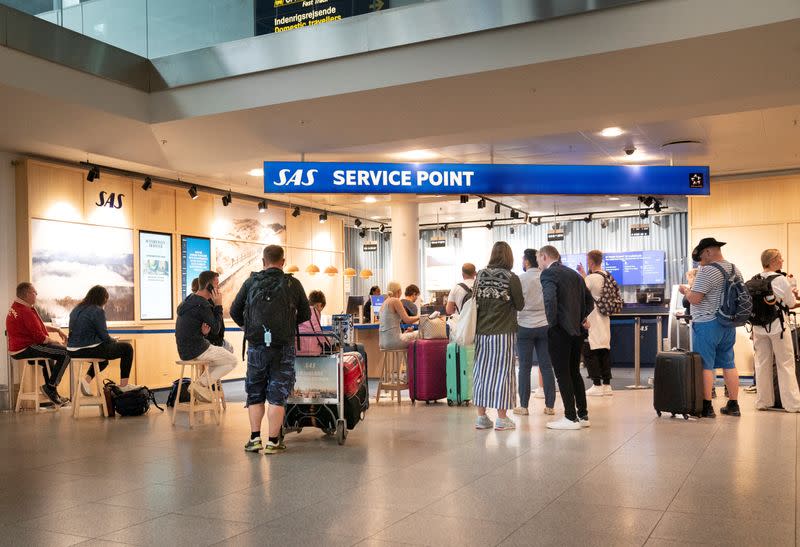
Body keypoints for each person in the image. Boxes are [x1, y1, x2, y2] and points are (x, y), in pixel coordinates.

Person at [231, 245, 310, 455]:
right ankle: (274, 441)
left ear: (263, 261)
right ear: (283, 262)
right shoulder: (293, 283)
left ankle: (255, 438)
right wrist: (287, 324)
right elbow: (305, 314)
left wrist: (248, 328)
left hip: (256, 346)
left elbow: (234, 310)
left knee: (255, 393)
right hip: (283, 346)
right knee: (277, 394)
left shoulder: (250, 282)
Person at [679, 237, 742, 417]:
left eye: (700, 256)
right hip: (728, 323)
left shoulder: (707, 271)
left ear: (708, 251)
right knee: (729, 363)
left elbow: (695, 299)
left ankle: (706, 407)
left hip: (707, 324)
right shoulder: (734, 269)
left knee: (706, 365)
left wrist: (686, 291)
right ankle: (733, 404)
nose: (700, 261)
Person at [539, 245, 595, 430]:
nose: (539, 262)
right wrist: (580, 318)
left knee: (562, 373)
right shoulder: (575, 275)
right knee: (574, 372)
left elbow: (549, 300)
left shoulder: (548, 274)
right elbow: (590, 302)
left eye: (539, 258)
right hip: (576, 331)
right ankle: (583, 415)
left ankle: (570, 417)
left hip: (560, 331)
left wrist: (553, 323)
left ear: (544, 256)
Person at [473, 242, 524, 431]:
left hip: (481, 332)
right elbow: (519, 305)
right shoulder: (511, 278)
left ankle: (481, 417)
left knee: (482, 372)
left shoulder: (480, 275)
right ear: (509, 257)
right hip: (503, 332)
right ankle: (502, 418)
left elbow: (474, 301)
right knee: (503, 372)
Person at [176, 270, 237, 403]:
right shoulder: (202, 304)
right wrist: (219, 305)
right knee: (232, 361)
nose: (218, 287)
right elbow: (216, 329)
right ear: (209, 286)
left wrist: (203, 333)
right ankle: (200, 385)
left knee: (222, 358)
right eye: (216, 284)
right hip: (198, 349)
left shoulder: (189, 300)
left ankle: (200, 384)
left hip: (185, 350)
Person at [750, 249, 800, 411]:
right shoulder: (780, 279)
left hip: (758, 327)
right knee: (785, 363)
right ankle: (792, 404)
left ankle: (763, 402)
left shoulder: (755, 279)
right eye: (779, 258)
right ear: (772, 261)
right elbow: (791, 303)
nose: (782, 261)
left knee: (762, 363)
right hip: (777, 326)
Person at [6, 282, 70, 405]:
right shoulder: (25, 311)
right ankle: (50, 388)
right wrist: (55, 341)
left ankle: (52, 393)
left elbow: (37, 326)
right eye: (35, 292)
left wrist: (57, 330)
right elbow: (41, 339)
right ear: (27, 294)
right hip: (25, 348)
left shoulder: (18, 306)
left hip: (20, 347)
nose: (37, 294)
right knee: (66, 353)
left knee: (52, 355)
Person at [67, 285, 139, 395]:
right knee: (127, 348)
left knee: (103, 361)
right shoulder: (97, 310)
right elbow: (104, 336)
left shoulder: (76, 309)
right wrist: (113, 341)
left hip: (72, 351)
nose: (105, 303)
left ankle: (85, 381)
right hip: (88, 349)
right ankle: (124, 386)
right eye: (106, 299)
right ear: (103, 298)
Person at [514, 249, 556, 416]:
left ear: (526, 262)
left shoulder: (519, 279)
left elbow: (516, 302)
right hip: (544, 325)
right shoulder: (545, 276)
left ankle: (524, 406)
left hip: (523, 325)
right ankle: (550, 406)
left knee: (524, 367)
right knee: (546, 366)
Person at [577, 250, 613, 397]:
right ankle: (606, 384)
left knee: (590, 350)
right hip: (605, 317)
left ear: (591, 261)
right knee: (604, 350)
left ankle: (596, 384)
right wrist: (585, 274)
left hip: (593, 317)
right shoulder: (607, 275)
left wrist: (584, 276)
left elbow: (583, 293)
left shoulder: (591, 278)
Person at [379, 282, 419, 350]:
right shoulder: (395, 301)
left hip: (383, 342)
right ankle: (414, 360)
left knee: (411, 334)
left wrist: (405, 333)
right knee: (420, 334)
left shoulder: (384, 303)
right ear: (399, 291)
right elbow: (407, 320)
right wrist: (420, 317)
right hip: (394, 342)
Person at [298, 290, 328, 356]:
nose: (320, 312)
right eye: (321, 308)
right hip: (310, 351)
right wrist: (330, 346)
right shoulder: (312, 311)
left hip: (298, 349)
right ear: (319, 304)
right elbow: (317, 331)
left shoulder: (301, 311)